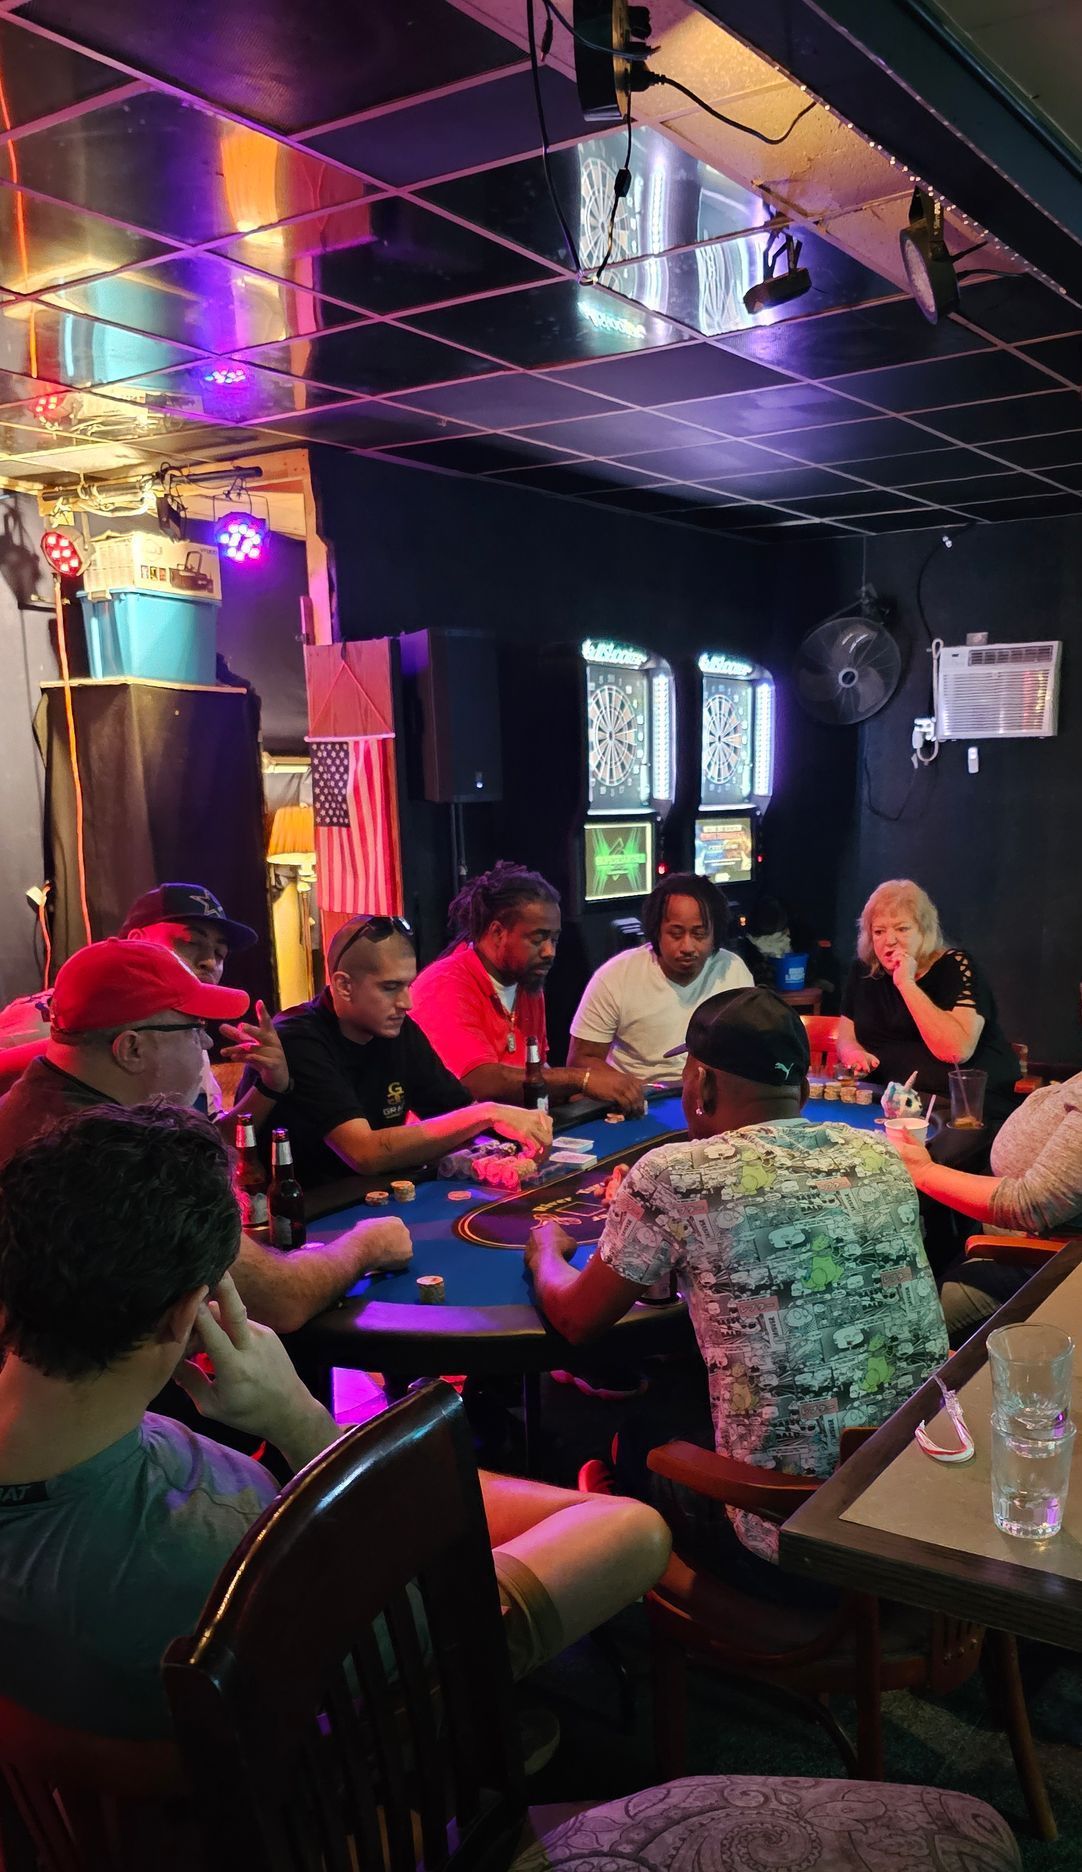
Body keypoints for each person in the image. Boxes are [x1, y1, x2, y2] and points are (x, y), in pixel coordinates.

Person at [0, 1102, 671, 1738]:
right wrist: (297, 1417)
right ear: (186, 1316)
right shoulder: (211, 1551)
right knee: (632, 1529)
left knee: (443, 1473)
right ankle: (436, 1734)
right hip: (378, 1639)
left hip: (295, 1543)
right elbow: (421, 1613)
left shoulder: (79, 1435)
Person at [525, 988, 948, 1594]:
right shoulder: (880, 1153)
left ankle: (619, 1582)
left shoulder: (673, 1174)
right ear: (800, 1090)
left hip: (801, 1553)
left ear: (700, 1085)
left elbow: (576, 1320)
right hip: (923, 1510)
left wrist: (544, 1251)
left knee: (628, 1440)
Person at [0, 939, 413, 1332]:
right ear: (132, 1049)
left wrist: (268, 1088)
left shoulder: (30, 1104)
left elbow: (208, 1148)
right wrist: (366, 1245)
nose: (206, 1041)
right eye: (193, 1027)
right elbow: (282, 1299)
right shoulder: (125, 1159)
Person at [245, 913, 553, 1189]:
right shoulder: (298, 1038)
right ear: (344, 986)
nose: (407, 1002)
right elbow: (365, 1153)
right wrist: (487, 1113)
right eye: (390, 987)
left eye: (408, 985)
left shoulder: (398, 1030)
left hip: (376, 1195)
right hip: (307, 1212)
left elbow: (454, 1112)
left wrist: (506, 1139)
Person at [410, 862, 644, 1113]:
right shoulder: (445, 984)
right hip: (456, 1134)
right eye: (538, 939)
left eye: (554, 939)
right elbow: (480, 1083)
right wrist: (581, 1080)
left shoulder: (527, 981)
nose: (549, 952)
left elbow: (536, 1072)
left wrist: (578, 1093)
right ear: (498, 933)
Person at [887, 1072, 1082, 1335]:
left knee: (900, 1328)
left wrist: (921, 1170)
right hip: (1005, 1236)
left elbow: (1033, 1205)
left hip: (1043, 1262)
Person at [838, 879, 1018, 1122]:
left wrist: (906, 983)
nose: (889, 940)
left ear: (924, 931)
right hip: (886, 1101)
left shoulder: (957, 966)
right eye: (879, 931)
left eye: (902, 929)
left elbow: (955, 1051)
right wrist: (854, 1053)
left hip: (959, 1107)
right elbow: (846, 1037)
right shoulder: (864, 970)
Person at [120, 880, 290, 1130]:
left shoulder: (188, 1033)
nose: (210, 961)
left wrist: (269, 1086)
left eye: (220, 953)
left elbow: (209, 1138)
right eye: (190, 942)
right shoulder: (90, 1025)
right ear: (137, 942)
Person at [568, 874, 751, 1084]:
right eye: (676, 934)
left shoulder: (733, 969)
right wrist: (625, 1086)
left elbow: (748, 1049)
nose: (687, 947)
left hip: (709, 1093)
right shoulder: (615, 977)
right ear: (656, 932)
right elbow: (581, 1060)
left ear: (715, 934)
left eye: (699, 934)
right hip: (640, 1095)